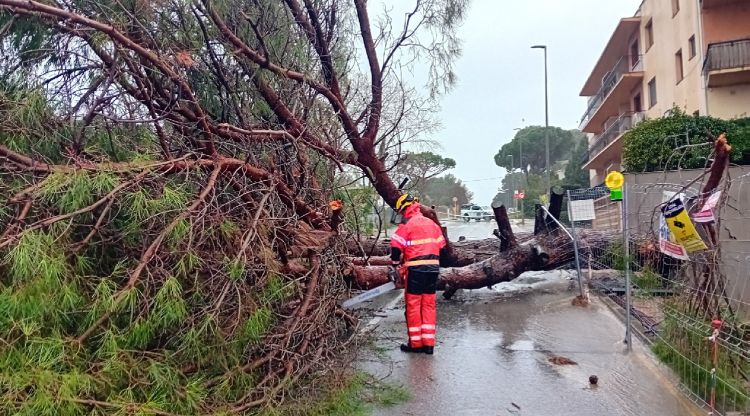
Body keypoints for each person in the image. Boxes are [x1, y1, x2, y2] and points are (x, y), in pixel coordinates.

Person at [389, 194, 446, 355]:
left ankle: (415, 344)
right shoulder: (431, 224)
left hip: (415, 270)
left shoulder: (407, 224)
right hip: (433, 269)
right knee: (428, 305)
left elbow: (395, 247)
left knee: (414, 306)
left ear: (405, 209)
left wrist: (395, 265)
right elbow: (442, 245)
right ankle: (429, 345)